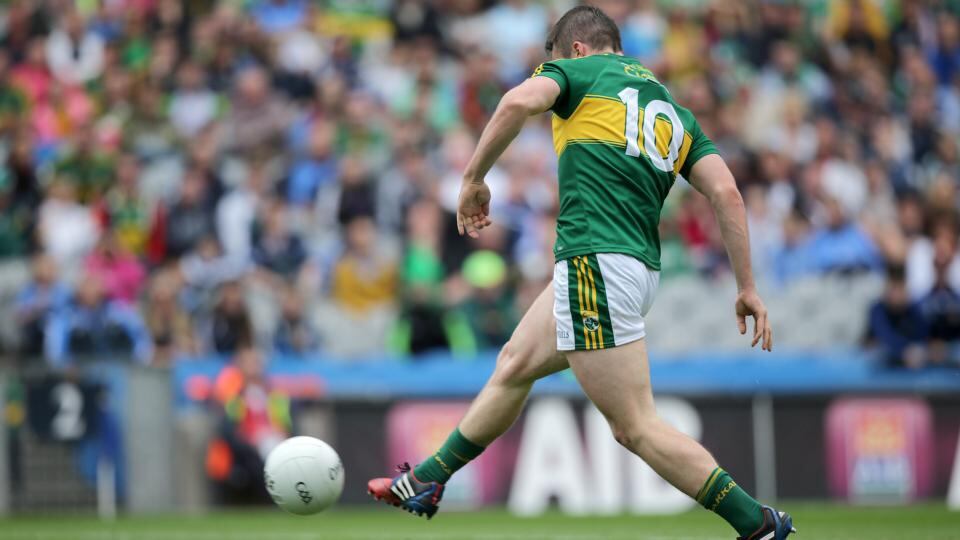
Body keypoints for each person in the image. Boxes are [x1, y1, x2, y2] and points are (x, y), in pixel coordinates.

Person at [368, 7, 792, 540]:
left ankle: (757, 523)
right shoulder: (671, 109)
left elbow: (517, 100)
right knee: (515, 363)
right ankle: (429, 479)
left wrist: (473, 178)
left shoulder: (580, 72)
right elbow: (726, 191)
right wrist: (747, 285)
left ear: (574, 50)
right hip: (635, 269)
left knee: (634, 426)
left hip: (595, 261)